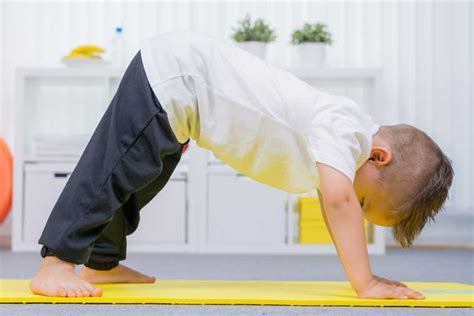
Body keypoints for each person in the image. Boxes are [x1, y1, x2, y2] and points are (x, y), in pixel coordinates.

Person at [30, 32, 453, 299]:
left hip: (186, 111)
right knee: (111, 171)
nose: (351, 207)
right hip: (174, 78)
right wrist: (367, 281)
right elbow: (339, 201)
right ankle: (56, 262)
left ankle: (101, 263)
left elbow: (335, 202)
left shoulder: (349, 142)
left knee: (134, 184)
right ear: (379, 156)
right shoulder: (346, 128)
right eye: (365, 202)